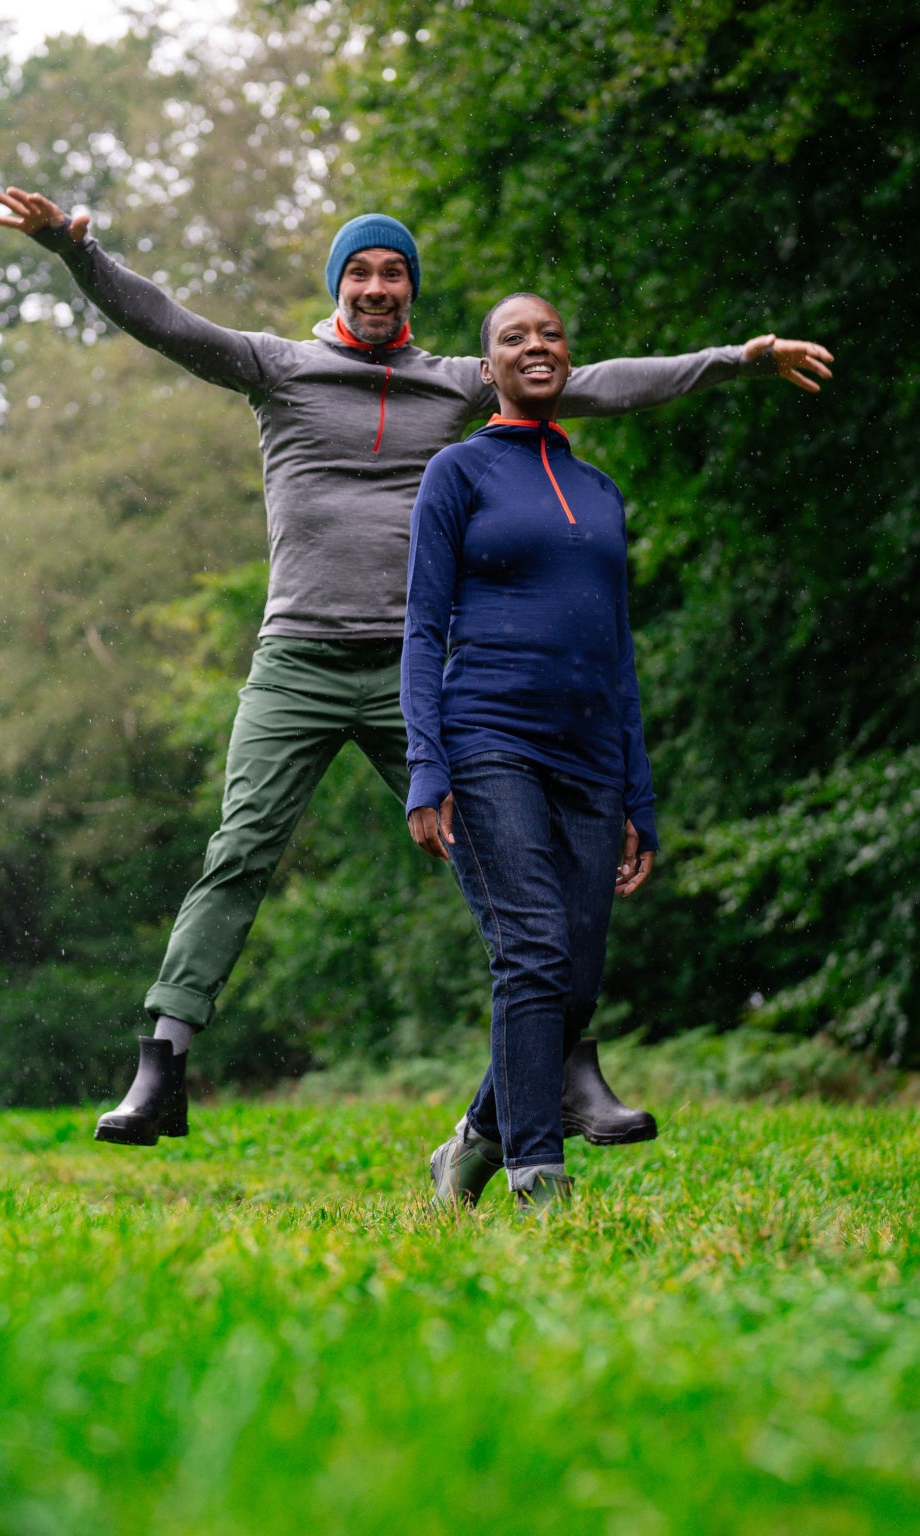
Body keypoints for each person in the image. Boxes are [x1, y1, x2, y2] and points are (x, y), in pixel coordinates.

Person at [0, 188, 834, 1146]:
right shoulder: (280, 366)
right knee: (239, 849)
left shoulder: (460, 380)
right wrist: (76, 253)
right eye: (361, 272)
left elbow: (600, 382)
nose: (377, 286)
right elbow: (167, 323)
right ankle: (163, 1062)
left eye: (393, 272)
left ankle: (562, 1062)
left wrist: (740, 360)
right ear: (339, 285)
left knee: (502, 869)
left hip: (417, 671)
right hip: (297, 659)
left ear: (412, 291)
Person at [405, 293, 674, 1210]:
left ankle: (471, 1145)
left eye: (551, 332)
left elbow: (619, 650)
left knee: (575, 977)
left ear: (569, 356)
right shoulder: (457, 472)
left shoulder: (601, 493)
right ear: (489, 369)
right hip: (488, 739)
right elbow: (421, 628)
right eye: (513, 337)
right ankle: (536, 1174)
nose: (536, 345)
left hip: (592, 754)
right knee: (532, 950)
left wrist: (639, 796)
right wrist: (427, 766)